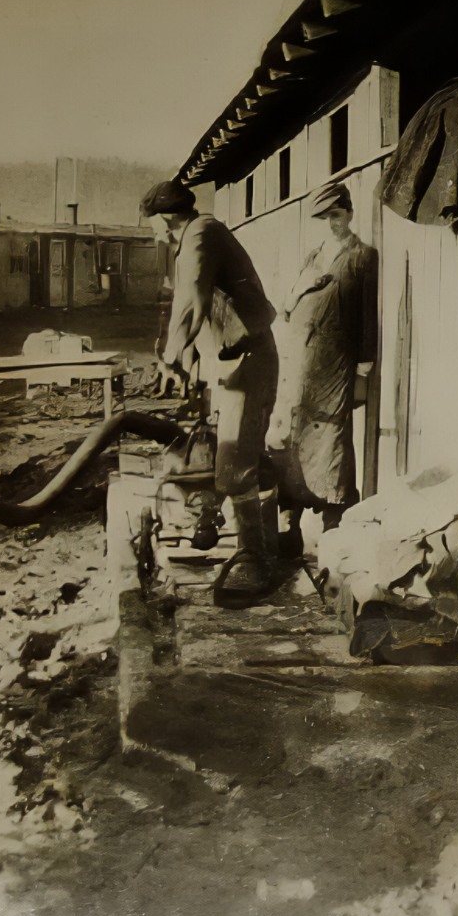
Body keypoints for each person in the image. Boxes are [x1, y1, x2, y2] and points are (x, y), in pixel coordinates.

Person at [140, 179, 282, 604]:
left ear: (166, 218)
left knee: (233, 461)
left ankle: (255, 558)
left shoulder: (200, 233)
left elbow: (192, 297)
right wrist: (188, 362)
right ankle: (262, 545)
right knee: (240, 454)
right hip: (238, 359)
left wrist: (169, 354)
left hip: (248, 360)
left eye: (158, 227)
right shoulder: (203, 232)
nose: (162, 236)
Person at [267, 183, 379, 553]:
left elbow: (367, 314)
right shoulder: (314, 255)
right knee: (293, 437)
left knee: (331, 439)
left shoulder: (363, 256)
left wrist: (364, 366)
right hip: (302, 360)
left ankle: (333, 526)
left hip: (336, 362)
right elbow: (287, 304)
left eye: (337, 214)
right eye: (326, 217)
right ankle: (291, 524)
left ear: (349, 213)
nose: (332, 222)